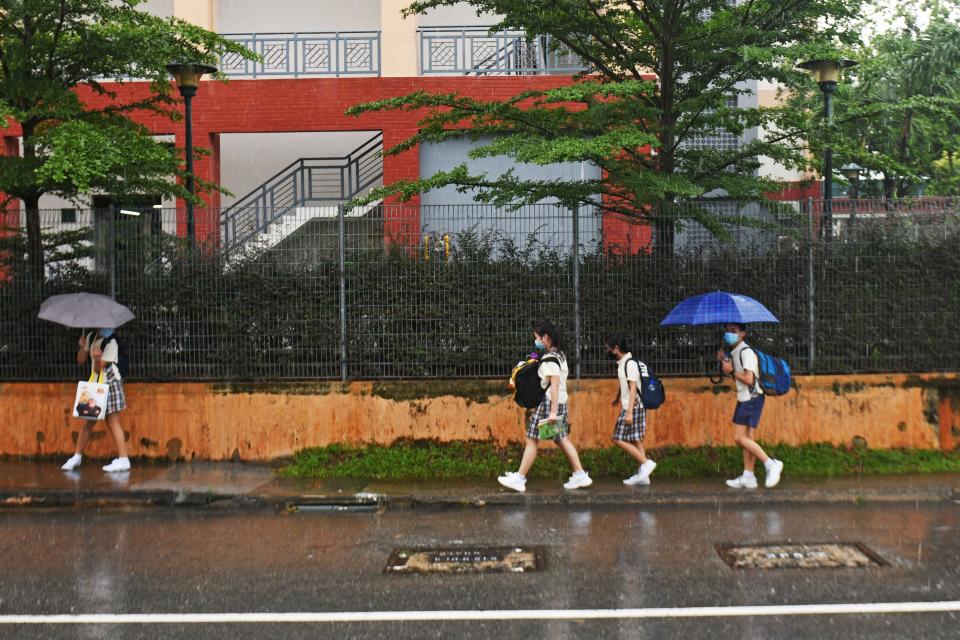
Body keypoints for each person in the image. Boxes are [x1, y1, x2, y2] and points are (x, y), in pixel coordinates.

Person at [498, 320, 592, 492]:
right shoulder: (559, 355)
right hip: (559, 402)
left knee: (532, 439)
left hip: (550, 404)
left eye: (537, 338)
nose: (536, 341)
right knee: (560, 438)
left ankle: (519, 478)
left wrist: (553, 413)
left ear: (545, 337)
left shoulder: (550, 359)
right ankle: (580, 474)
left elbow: (554, 385)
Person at [716, 323, 783, 489]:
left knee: (739, 438)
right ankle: (748, 476)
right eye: (727, 331)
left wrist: (731, 371)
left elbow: (749, 379)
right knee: (748, 439)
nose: (729, 334)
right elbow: (740, 379)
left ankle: (771, 463)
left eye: (733, 331)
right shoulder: (735, 352)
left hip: (752, 398)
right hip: (745, 397)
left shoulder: (746, 352)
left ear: (743, 334)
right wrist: (726, 365)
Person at [61, 328, 131, 473]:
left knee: (112, 422)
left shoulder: (111, 341)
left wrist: (98, 358)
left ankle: (124, 460)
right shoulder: (91, 336)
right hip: (95, 384)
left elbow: (99, 369)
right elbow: (81, 360)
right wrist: (82, 347)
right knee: (87, 421)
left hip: (111, 383)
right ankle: (77, 457)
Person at [605, 333, 657, 485]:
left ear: (616, 348)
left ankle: (646, 463)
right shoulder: (623, 363)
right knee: (635, 439)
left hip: (633, 406)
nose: (606, 351)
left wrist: (628, 412)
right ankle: (644, 475)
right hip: (631, 405)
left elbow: (633, 388)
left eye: (608, 348)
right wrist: (617, 397)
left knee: (616, 438)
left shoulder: (630, 364)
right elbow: (625, 384)